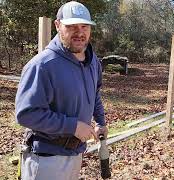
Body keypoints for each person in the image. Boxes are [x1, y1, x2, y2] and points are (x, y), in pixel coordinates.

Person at [15, 1, 107, 179]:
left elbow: (95, 93)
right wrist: (73, 126)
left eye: (84, 26)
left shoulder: (93, 61)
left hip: (76, 155)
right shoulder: (42, 66)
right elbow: (26, 114)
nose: (79, 32)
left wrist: (100, 122)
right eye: (71, 26)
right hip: (46, 160)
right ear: (58, 25)